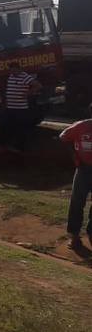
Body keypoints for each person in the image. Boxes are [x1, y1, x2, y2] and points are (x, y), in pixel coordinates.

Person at [59, 106, 92, 248]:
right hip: (84, 169)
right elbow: (63, 137)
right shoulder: (80, 126)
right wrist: (74, 156)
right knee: (77, 202)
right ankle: (74, 235)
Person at [3, 61, 42, 151]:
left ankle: (22, 147)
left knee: (21, 128)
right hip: (10, 107)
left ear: (18, 69)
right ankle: (12, 145)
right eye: (11, 70)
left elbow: (38, 85)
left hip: (20, 108)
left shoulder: (25, 76)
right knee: (10, 127)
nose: (12, 72)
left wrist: (28, 93)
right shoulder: (11, 76)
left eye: (14, 70)